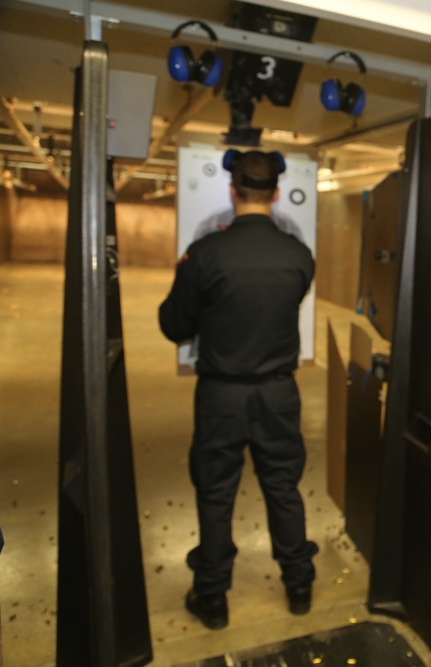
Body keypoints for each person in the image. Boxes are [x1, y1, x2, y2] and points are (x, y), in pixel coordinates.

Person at [159, 150, 318, 630]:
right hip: (277, 394)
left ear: (233, 190)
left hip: (221, 396)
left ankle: (212, 597)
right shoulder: (298, 255)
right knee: (283, 489)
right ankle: (299, 586)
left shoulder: (205, 254)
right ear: (274, 192)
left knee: (215, 493)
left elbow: (174, 324)